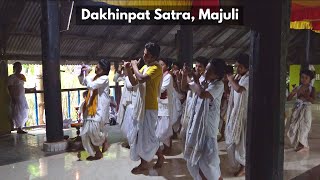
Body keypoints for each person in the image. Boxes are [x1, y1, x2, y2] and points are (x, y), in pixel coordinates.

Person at [183, 59, 226, 180]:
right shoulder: (204, 81)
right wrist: (186, 75)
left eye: (209, 71)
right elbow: (185, 86)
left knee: (210, 165)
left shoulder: (218, 85)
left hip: (207, 129)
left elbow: (203, 94)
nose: (206, 72)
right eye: (206, 69)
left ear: (217, 75)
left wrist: (196, 79)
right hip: (197, 127)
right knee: (195, 162)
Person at [124, 42, 163, 173]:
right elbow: (134, 81)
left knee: (146, 136)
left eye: (147, 55)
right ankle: (160, 156)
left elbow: (141, 78)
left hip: (150, 107)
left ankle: (144, 164)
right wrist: (129, 69)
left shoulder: (156, 68)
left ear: (154, 57)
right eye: (144, 54)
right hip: (142, 106)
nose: (144, 57)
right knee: (144, 135)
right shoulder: (146, 67)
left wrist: (134, 66)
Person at [78, 59, 111, 161]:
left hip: (100, 108)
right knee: (87, 131)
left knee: (93, 130)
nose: (96, 68)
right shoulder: (95, 77)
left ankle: (104, 141)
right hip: (91, 108)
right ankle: (98, 151)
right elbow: (83, 81)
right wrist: (82, 73)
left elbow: (91, 85)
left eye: (99, 67)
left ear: (104, 70)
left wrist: (87, 75)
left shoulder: (104, 78)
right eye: (96, 66)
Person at [225, 54, 250, 177]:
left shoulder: (249, 78)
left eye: (240, 67)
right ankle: (239, 164)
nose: (237, 69)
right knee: (231, 139)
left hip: (243, 115)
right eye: (237, 67)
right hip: (235, 113)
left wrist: (231, 80)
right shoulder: (239, 77)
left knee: (241, 143)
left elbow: (241, 90)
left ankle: (244, 166)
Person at [180, 57, 209, 147]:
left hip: (199, 112)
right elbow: (184, 87)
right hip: (190, 109)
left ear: (205, 68)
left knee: (196, 137)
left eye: (200, 66)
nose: (197, 68)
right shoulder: (194, 78)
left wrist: (190, 75)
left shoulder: (206, 80)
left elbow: (200, 91)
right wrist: (184, 75)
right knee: (185, 135)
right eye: (196, 66)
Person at [287, 69, 316, 152]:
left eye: (306, 78)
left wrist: (306, 96)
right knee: (294, 126)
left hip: (306, 109)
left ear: (310, 79)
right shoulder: (298, 87)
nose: (303, 79)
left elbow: (313, 101)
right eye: (302, 77)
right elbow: (288, 99)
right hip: (297, 108)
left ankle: (302, 145)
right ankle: (298, 143)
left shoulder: (312, 89)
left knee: (304, 127)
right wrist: (292, 93)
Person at [8, 62, 35, 134]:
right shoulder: (12, 77)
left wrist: (31, 89)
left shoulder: (22, 76)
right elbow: (10, 88)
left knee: (24, 110)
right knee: (17, 112)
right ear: (15, 68)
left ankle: (20, 127)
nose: (20, 68)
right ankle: (18, 128)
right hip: (16, 97)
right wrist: (12, 97)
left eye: (20, 67)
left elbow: (22, 88)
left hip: (22, 96)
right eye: (18, 67)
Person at [156, 58, 174, 154]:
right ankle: (166, 147)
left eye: (162, 65)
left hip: (166, 105)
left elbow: (162, 89)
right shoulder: (160, 76)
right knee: (163, 127)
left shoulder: (168, 76)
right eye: (159, 65)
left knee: (165, 128)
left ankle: (168, 147)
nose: (160, 67)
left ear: (167, 66)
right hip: (160, 104)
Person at [218, 65, 233, 142]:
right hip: (222, 103)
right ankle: (220, 134)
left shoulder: (232, 82)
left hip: (228, 104)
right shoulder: (220, 82)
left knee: (225, 119)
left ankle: (224, 135)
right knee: (221, 118)